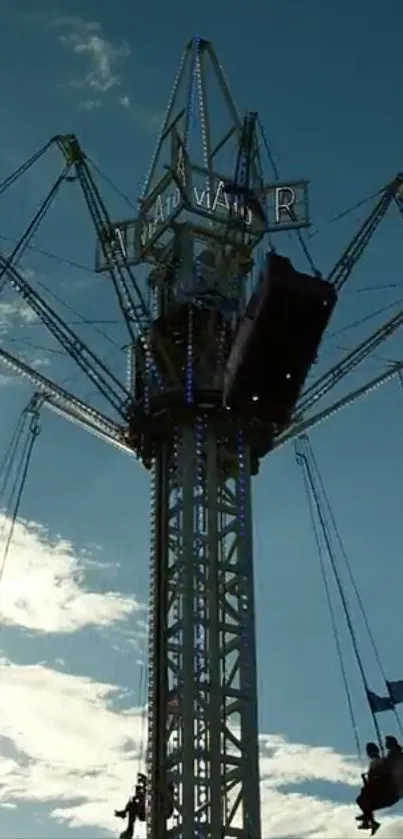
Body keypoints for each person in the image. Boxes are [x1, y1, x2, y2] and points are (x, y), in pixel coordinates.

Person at [356, 743, 384, 836]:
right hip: (375, 786)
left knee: (362, 800)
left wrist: (367, 777)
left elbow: (376, 774)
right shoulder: (377, 761)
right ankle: (369, 821)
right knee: (364, 801)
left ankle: (368, 821)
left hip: (377, 787)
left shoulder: (376, 761)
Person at [114, 774, 147, 839]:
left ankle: (124, 813)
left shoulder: (136, 800)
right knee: (133, 804)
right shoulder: (137, 800)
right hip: (142, 812)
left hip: (142, 810)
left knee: (133, 804)